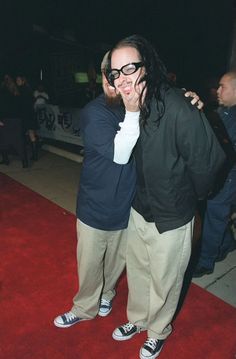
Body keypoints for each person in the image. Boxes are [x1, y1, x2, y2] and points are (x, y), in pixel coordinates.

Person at [53, 52, 203, 330]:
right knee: (89, 265)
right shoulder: (95, 112)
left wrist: (188, 99)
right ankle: (84, 307)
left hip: (129, 208)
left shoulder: (141, 106)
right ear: (102, 77)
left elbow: (170, 110)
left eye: (122, 73)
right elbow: (120, 153)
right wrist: (133, 110)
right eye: (110, 74)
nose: (117, 80)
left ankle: (108, 294)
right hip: (95, 207)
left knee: (117, 263)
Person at [107, 35, 225, 359]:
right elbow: (120, 157)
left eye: (130, 67)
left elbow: (209, 160)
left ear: (147, 65)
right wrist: (130, 114)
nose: (123, 78)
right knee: (139, 271)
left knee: (166, 280)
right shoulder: (130, 110)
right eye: (116, 73)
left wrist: (191, 199)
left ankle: (158, 330)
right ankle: (137, 319)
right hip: (140, 209)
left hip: (173, 215)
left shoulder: (177, 105)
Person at [193, 72, 236, 278]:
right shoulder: (225, 110)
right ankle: (227, 243)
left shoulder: (232, 116)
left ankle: (206, 261)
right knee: (215, 216)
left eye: (222, 87)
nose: (217, 91)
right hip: (221, 175)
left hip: (227, 177)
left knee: (214, 217)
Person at [0, 74, 28, 167]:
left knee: (3, 140)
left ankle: (5, 159)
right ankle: (24, 162)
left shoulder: (3, 92)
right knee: (18, 140)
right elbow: (22, 107)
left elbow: (2, 107)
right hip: (17, 119)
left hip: (7, 119)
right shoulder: (17, 92)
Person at [16, 75, 38, 161]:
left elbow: (20, 104)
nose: (17, 81)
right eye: (16, 80)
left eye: (18, 80)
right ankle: (34, 155)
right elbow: (33, 100)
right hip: (29, 114)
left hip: (25, 115)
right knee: (31, 134)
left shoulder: (21, 90)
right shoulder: (28, 89)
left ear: (23, 81)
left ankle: (28, 154)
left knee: (25, 134)